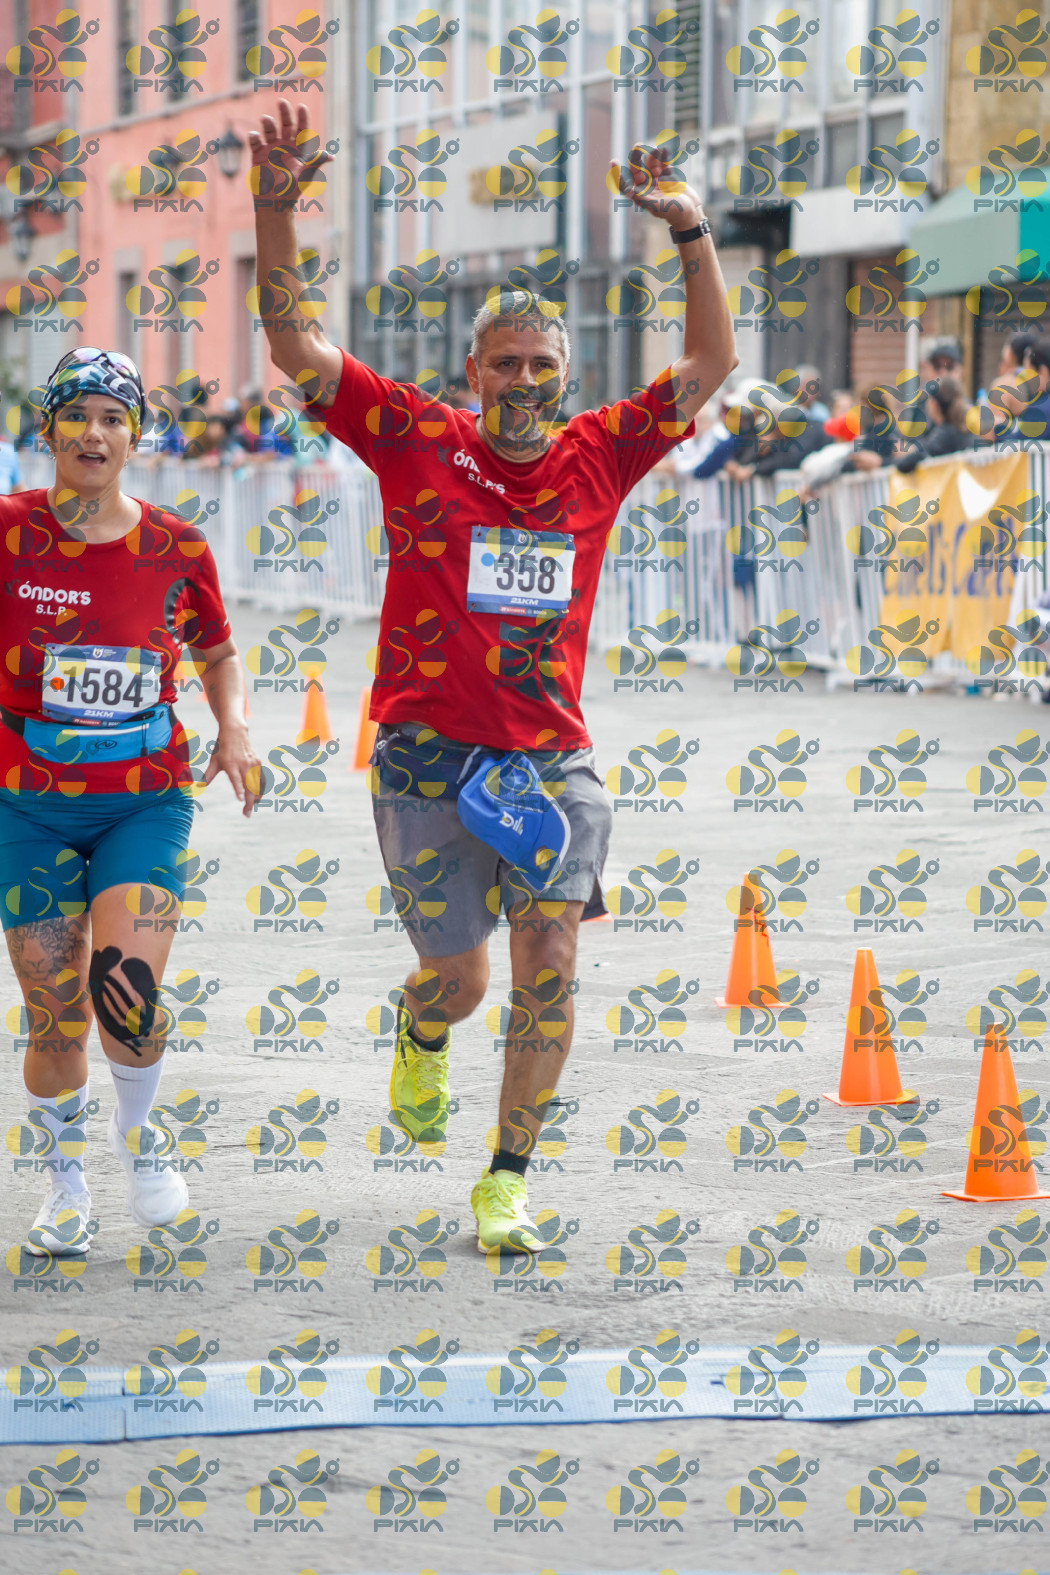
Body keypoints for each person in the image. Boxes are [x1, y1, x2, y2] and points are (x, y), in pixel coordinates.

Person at [250, 99, 737, 1254]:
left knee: (551, 957)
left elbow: (712, 363)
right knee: (461, 981)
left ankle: (507, 1179)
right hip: (427, 755)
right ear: (473, 370)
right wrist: (274, 210)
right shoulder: (416, 436)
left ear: (566, 375)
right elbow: (293, 347)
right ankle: (423, 1030)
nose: (524, 378)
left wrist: (690, 229)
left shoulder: (601, 452)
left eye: (542, 364)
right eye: (505, 362)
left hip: (549, 757)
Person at [0, 346, 260, 1257]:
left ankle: (140, 1133)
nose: (95, 433)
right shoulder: (8, 531)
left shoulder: (176, 545)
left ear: (135, 435)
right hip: (26, 803)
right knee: (53, 1011)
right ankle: (65, 1186)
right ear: (49, 430)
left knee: (128, 995)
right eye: (78, 415)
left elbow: (219, 653)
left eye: (114, 417)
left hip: (142, 799)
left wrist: (233, 729)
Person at [893, 377, 975, 473]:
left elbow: (906, 463)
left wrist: (909, 452)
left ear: (934, 404)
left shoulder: (947, 433)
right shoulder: (963, 428)